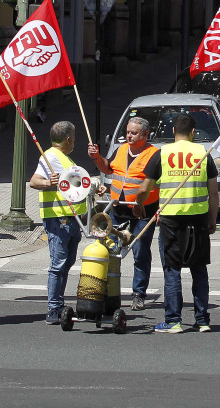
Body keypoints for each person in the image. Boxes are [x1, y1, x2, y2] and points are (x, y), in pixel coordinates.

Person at [137, 113, 219, 333]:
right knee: (199, 269)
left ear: (173, 131)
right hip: (198, 218)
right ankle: (202, 320)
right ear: (193, 133)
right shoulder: (203, 153)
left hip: (171, 221)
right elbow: (213, 192)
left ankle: (174, 321)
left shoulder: (162, 154)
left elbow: (144, 188)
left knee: (172, 270)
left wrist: (139, 205)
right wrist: (212, 220)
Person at [87, 116, 158, 311]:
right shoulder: (121, 149)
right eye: (127, 132)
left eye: (133, 133)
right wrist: (96, 157)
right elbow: (107, 169)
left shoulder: (154, 154)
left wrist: (148, 205)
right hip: (118, 208)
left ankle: (138, 294)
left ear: (145, 134)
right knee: (108, 247)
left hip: (142, 210)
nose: (129, 136)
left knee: (140, 250)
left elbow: (156, 183)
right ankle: (107, 289)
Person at [30, 121, 91, 324]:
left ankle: (59, 304)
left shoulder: (64, 158)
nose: (75, 141)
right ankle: (53, 308)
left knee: (66, 263)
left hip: (70, 219)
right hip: (59, 218)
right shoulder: (50, 157)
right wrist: (49, 182)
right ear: (68, 139)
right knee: (58, 264)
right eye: (74, 137)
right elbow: (34, 181)